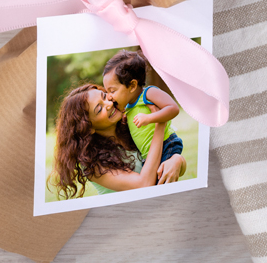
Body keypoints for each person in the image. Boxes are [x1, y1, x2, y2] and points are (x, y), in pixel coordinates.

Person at [49, 83, 186, 199]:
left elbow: (166, 158)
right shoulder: (92, 163)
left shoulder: (131, 126)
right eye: (99, 109)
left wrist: (177, 160)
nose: (109, 104)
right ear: (88, 127)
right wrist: (160, 123)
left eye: (104, 96)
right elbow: (144, 185)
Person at [102, 50, 185, 170]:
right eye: (107, 91)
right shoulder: (128, 107)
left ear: (132, 86)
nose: (109, 96)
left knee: (160, 177)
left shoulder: (148, 94)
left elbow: (173, 108)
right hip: (148, 155)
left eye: (112, 91)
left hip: (166, 144)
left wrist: (149, 118)